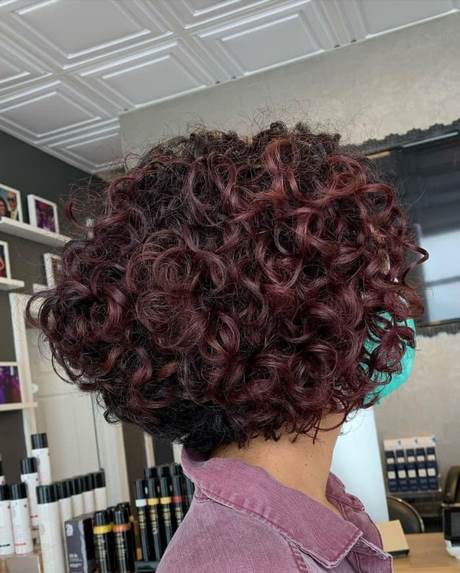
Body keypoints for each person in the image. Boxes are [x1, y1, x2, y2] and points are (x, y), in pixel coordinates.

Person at [27, 122, 427, 572]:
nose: (394, 308)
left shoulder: (310, 511)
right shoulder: (243, 561)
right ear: (313, 328)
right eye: (376, 286)